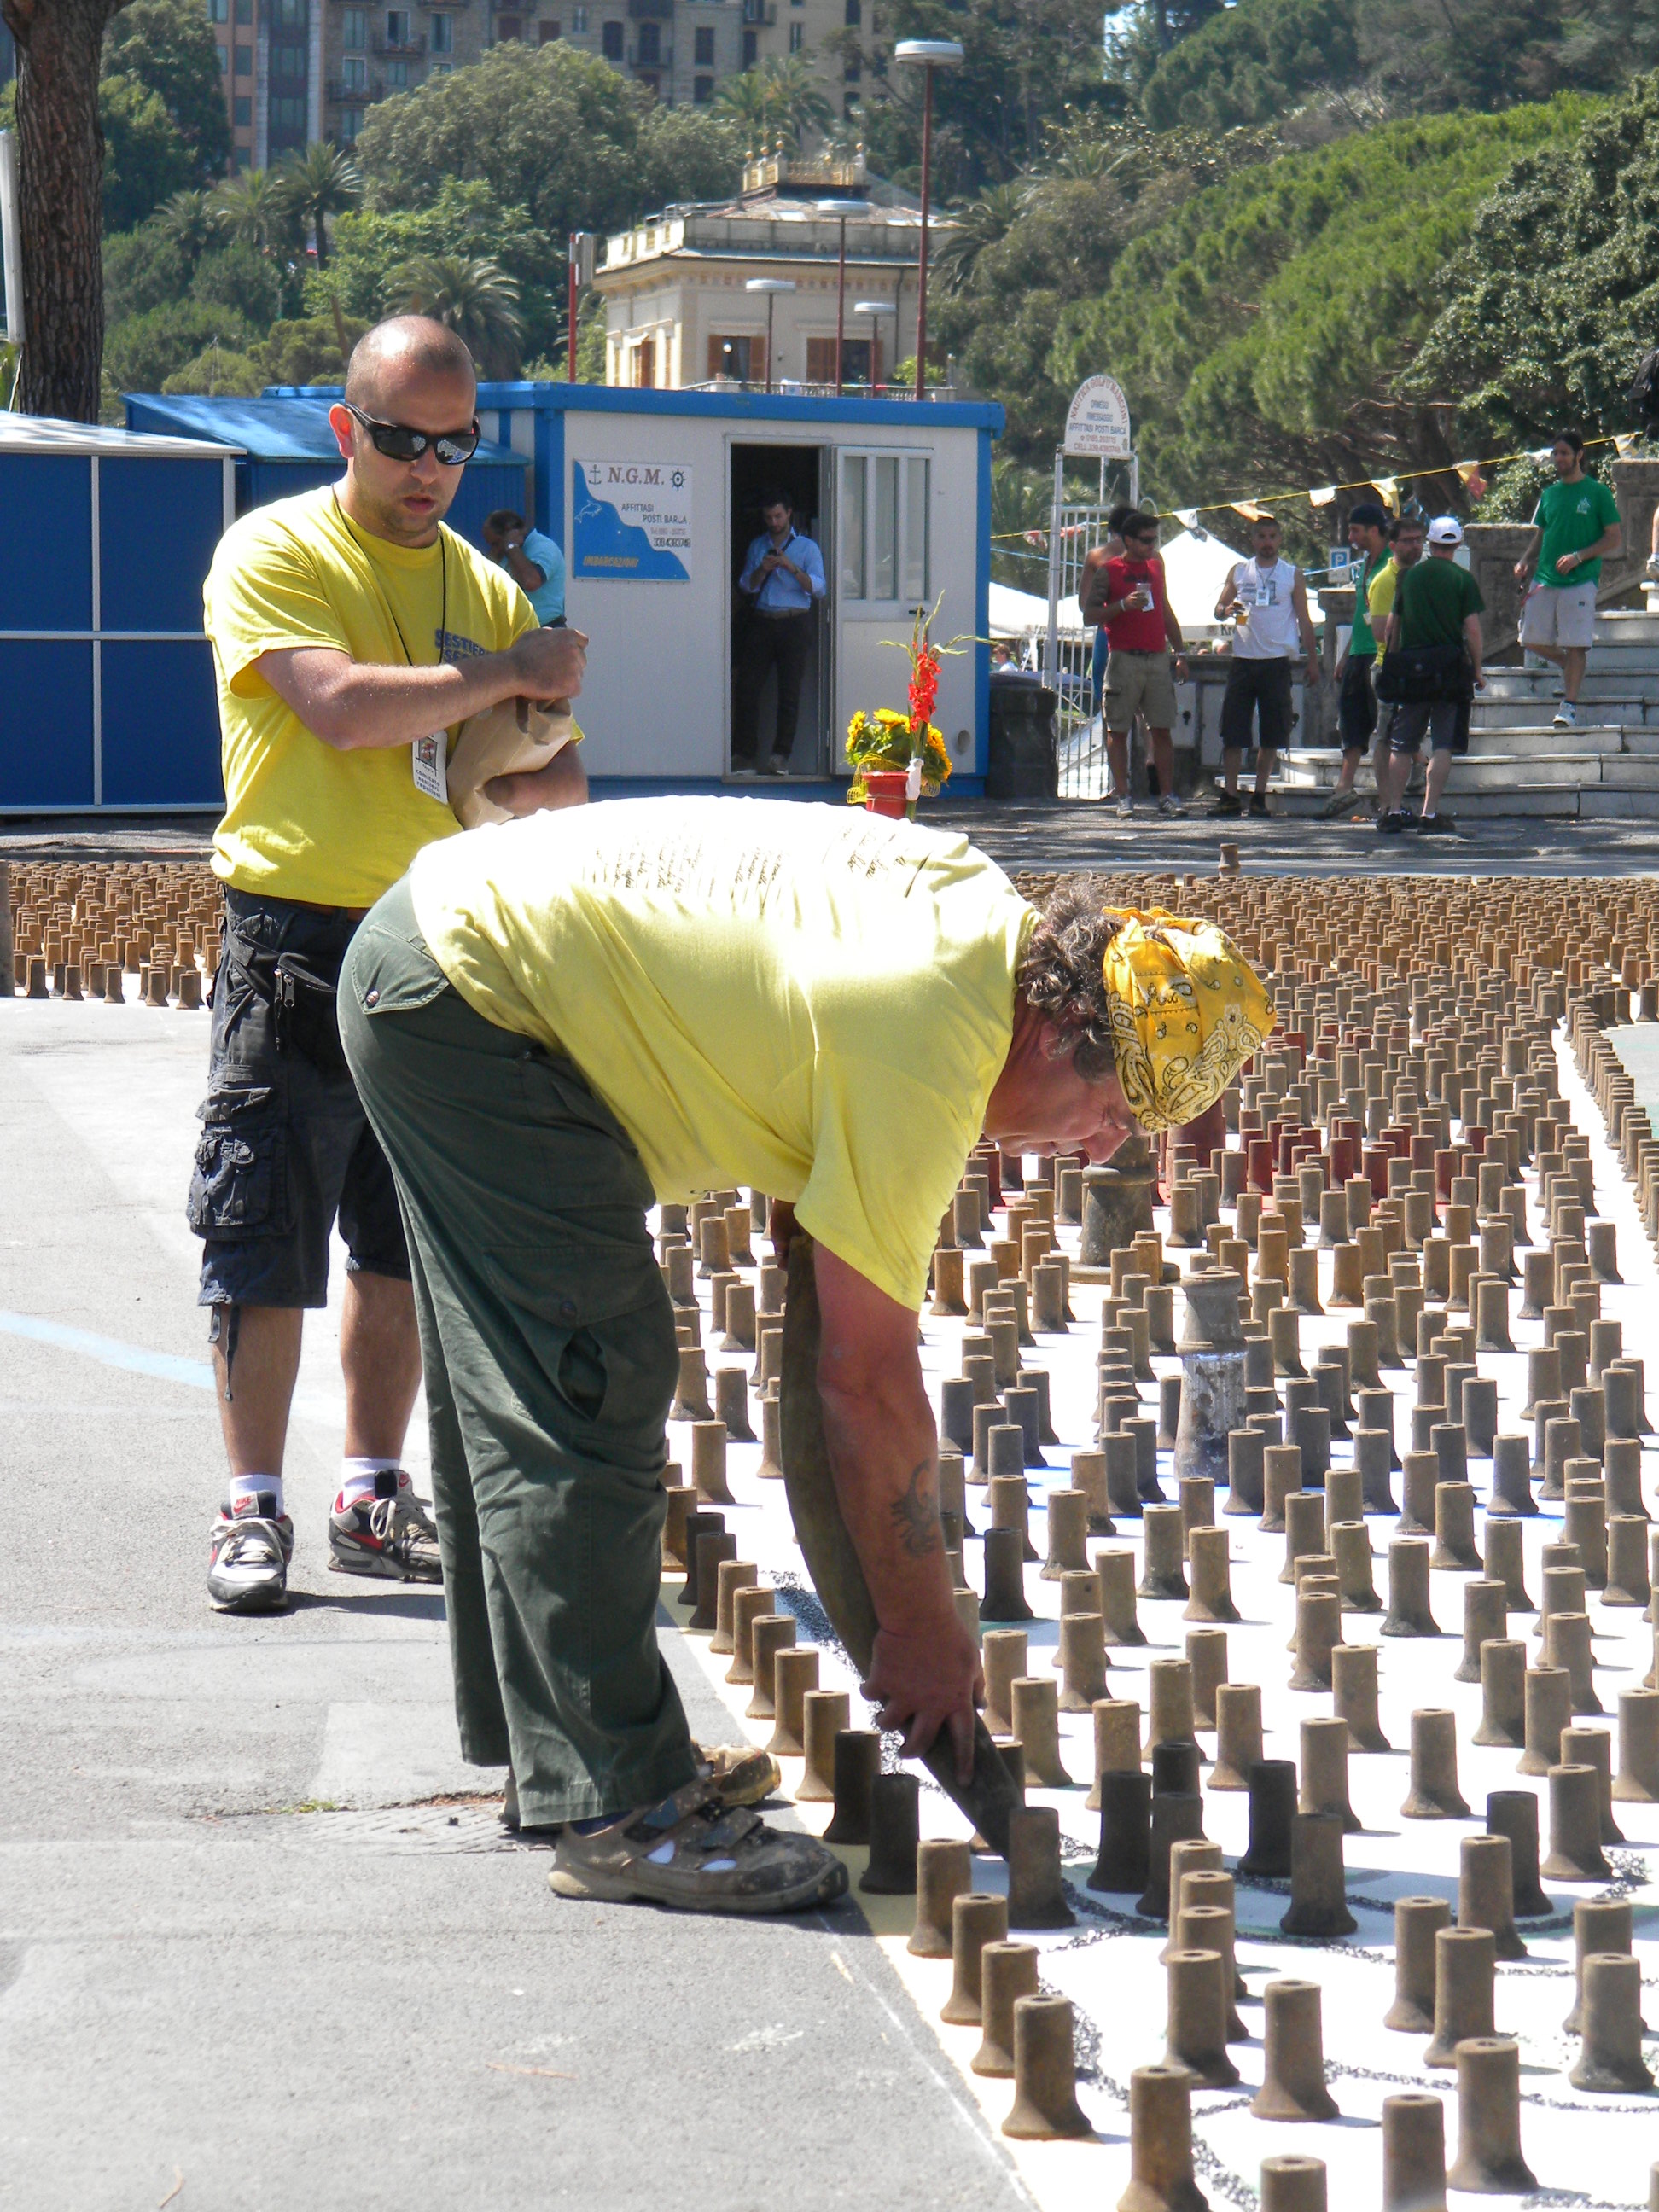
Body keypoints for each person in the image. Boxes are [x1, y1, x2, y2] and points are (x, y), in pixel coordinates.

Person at [338, 807, 1272, 1912]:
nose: (1103, 1145)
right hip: (474, 999)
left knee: (521, 1367)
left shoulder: (975, 925)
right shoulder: (932, 1040)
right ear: (1060, 1035)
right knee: (590, 1371)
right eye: (1112, 1111)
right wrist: (925, 1631)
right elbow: (865, 1384)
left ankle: (567, 1761)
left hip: (448, 946)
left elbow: (787, 992)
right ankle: (617, 1807)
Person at [195, 315, 590, 1616]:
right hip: (292, 938)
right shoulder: (275, 547)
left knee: (400, 1243)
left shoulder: (482, 586)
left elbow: (555, 774)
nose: (430, 467)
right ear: (346, 429)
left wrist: (531, 726)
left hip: (434, 938)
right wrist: (499, 685)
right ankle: (253, 1509)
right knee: (260, 1228)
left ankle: (373, 1492)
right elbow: (342, 709)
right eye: (405, 439)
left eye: (456, 444)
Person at [1374, 514, 1484, 836]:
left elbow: (1392, 626)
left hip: (1412, 670)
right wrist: (1477, 669)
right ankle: (1429, 812)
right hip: (1449, 670)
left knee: (1402, 743)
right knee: (1443, 743)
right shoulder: (1463, 580)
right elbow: (1473, 630)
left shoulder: (1408, 578)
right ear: (1458, 543)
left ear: (1430, 543)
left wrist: (1391, 666)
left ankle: (1394, 810)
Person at [1210, 515, 1320, 817]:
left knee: (1272, 732)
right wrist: (1226, 609)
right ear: (1253, 540)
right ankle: (1230, 795)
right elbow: (1219, 609)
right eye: (1262, 537)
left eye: (1273, 537)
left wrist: (1312, 660)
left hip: (1276, 663)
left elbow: (1304, 619)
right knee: (1233, 729)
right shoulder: (1239, 571)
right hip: (1243, 660)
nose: (1267, 543)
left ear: (1280, 540)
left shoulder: (1291, 574)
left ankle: (1259, 796)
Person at [1514, 430, 1621, 728]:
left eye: (1564, 452)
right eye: (1555, 453)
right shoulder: (1549, 494)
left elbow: (1613, 538)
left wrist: (1579, 556)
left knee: (1576, 645)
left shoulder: (1598, 492)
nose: (1559, 458)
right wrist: (1525, 560)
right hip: (1545, 578)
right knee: (1529, 638)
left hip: (1581, 579)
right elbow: (1542, 533)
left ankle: (1569, 706)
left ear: (1579, 455)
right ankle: (1565, 664)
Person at [1097, 510, 1188, 818]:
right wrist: (1122, 605)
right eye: (1146, 540)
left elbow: (1165, 610)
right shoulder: (1109, 570)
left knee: (1162, 728)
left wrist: (1181, 653)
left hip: (1157, 658)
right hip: (1123, 657)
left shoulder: (1156, 567)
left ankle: (1167, 795)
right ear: (1128, 540)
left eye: (1155, 539)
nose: (1152, 546)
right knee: (1118, 729)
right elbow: (1089, 615)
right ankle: (1123, 796)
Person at [732, 489, 827, 774]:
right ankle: (745, 755)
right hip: (763, 620)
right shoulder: (757, 546)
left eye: (778, 516)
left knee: (790, 693)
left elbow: (819, 588)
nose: (774, 522)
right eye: (769, 517)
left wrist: (790, 567)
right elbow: (746, 586)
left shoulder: (807, 548)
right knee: (748, 688)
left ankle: (780, 757)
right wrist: (762, 570)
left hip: (795, 622)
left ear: (789, 513)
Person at [1320, 500, 1392, 818]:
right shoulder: (1364, 566)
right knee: (1350, 719)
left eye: (1355, 530)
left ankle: (1418, 767)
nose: (1350, 536)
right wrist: (1345, 655)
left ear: (1373, 530)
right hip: (1359, 654)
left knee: (1388, 721)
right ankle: (1344, 788)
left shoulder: (1394, 563)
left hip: (1384, 655)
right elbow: (1360, 613)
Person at [483, 509, 566, 625]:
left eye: (496, 544)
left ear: (511, 533)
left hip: (545, 631)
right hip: (515, 631)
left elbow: (530, 581)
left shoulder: (544, 547)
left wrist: (511, 546)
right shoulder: (505, 554)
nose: (494, 550)